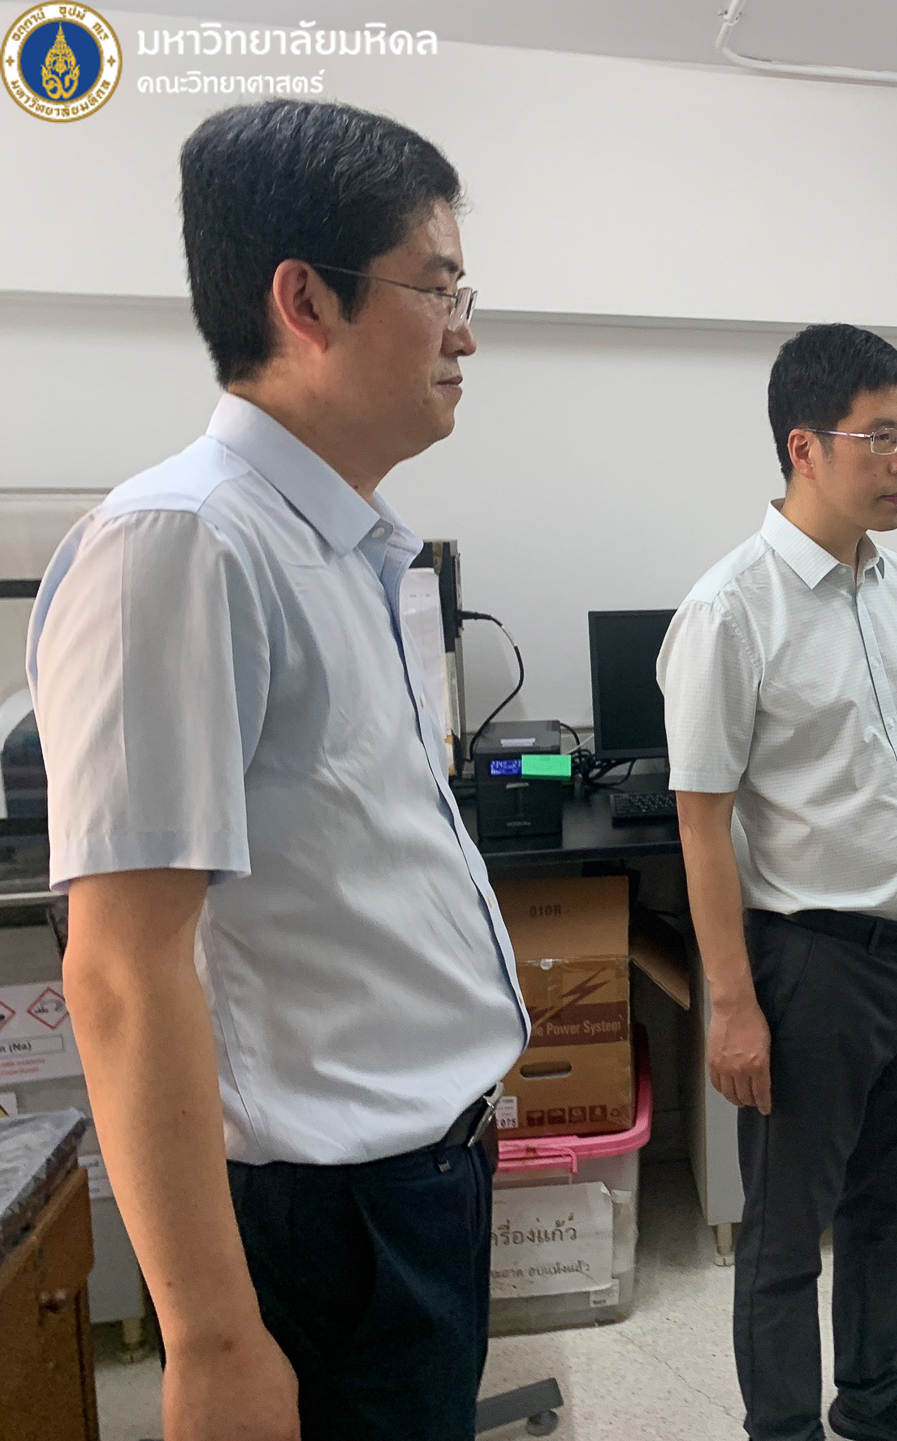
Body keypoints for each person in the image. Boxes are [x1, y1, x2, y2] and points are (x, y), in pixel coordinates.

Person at [28, 100, 525, 1441]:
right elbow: (121, 969)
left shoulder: (339, 544)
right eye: (439, 288)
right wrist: (212, 1337)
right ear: (305, 300)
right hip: (322, 1219)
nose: (467, 332)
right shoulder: (186, 545)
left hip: (413, 1183)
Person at [659, 324, 897, 1441]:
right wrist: (733, 1003)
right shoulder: (729, 609)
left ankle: (875, 1392)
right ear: (805, 446)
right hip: (812, 966)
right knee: (785, 1234)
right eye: (881, 436)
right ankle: (786, 1429)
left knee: (891, 1204)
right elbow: (700, 824)